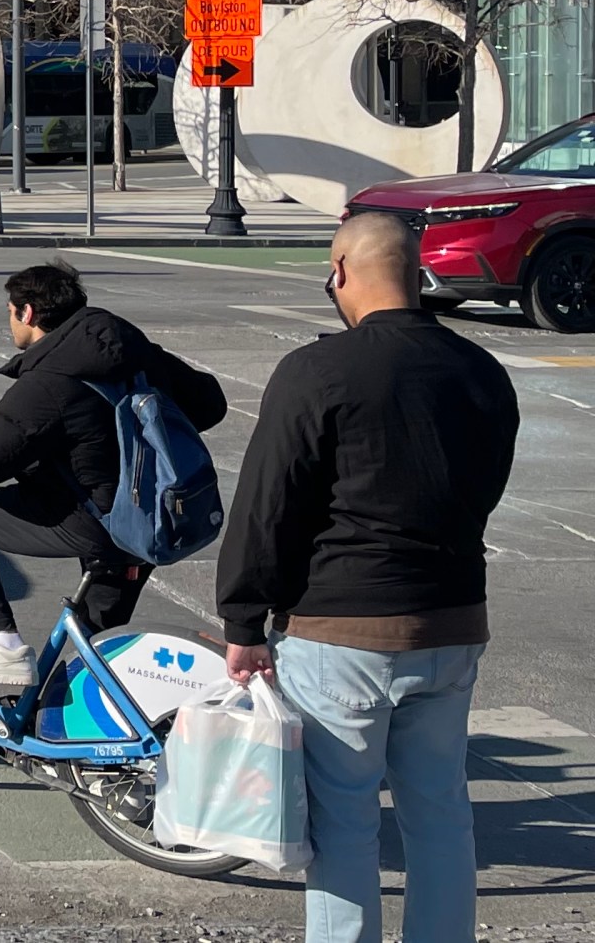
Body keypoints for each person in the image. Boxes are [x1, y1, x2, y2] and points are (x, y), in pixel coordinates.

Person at [218, 213, 519, 943]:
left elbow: (267, 504)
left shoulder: (318, 371)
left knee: (344, 828)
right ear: (416, 273)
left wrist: (243, 623)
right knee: (441, 815)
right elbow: (484, 486)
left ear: (342, 272)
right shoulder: (480, 369)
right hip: (450, 622)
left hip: (340, 631)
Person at [0, 261, 226, 685]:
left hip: (96, 523)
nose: (9, 320)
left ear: (28, 313)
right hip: (149, 518)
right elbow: (210, 403)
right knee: (95, 657)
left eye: (10, 311)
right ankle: (80, 738)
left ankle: (1, 645)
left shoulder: (50, 383)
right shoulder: (128, 348)